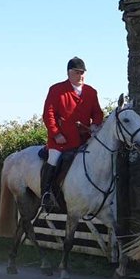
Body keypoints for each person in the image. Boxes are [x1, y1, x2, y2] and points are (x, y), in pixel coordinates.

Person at [41, 57, 104, 209]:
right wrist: (56, 134)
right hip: (61, 140)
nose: (80, 76)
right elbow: (48, 114)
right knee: (53, 159)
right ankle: (46, 194)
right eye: (77, 72)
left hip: (84, 138)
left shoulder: (91, 91)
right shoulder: (56, 90)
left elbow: (97, 112)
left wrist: (95, 124)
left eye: (83, 73)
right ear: (69, 73)